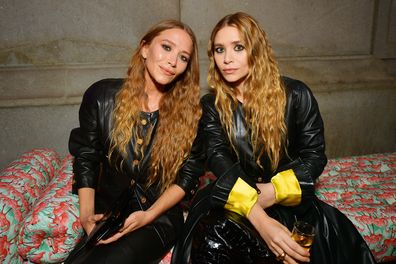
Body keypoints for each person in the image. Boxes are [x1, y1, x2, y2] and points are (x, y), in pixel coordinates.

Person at [172, 12, 376, 264]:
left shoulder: (296, 94)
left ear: (256, 50)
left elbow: (314, 157)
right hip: (232, 195)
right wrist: (259, 218)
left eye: (238, 47)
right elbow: (219, 163)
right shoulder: (211, 106)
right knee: (215, 238)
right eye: (219, 49)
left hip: (287, 199)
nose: (227, 59)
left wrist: (275, 191)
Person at [68, 19, 205, 263]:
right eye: (166, 47)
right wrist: (86, 215)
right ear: (144, 48)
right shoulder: (101, 97)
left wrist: (148, 215)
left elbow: (188, 177)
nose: (173, 61)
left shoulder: (192, 114)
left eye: (183, 57)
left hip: (158, 216)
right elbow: (86, 156)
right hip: (110, 210)